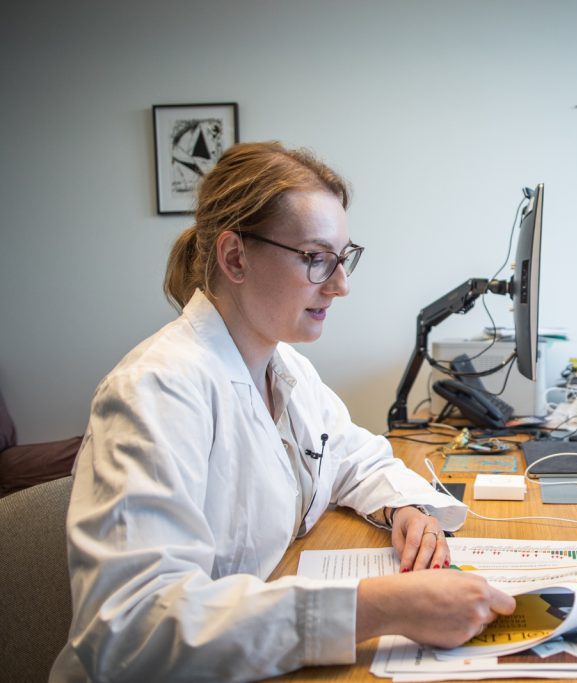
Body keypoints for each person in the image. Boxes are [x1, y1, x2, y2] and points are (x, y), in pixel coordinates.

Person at [52, 142, 516, 682]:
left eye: (343, 258)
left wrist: (405, 509)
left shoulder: (282, 363)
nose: (341, 285)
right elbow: (130, 633)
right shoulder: (155, 391)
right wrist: (378, 608)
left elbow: (351, 456)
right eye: (316, 258)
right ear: (234, 257)